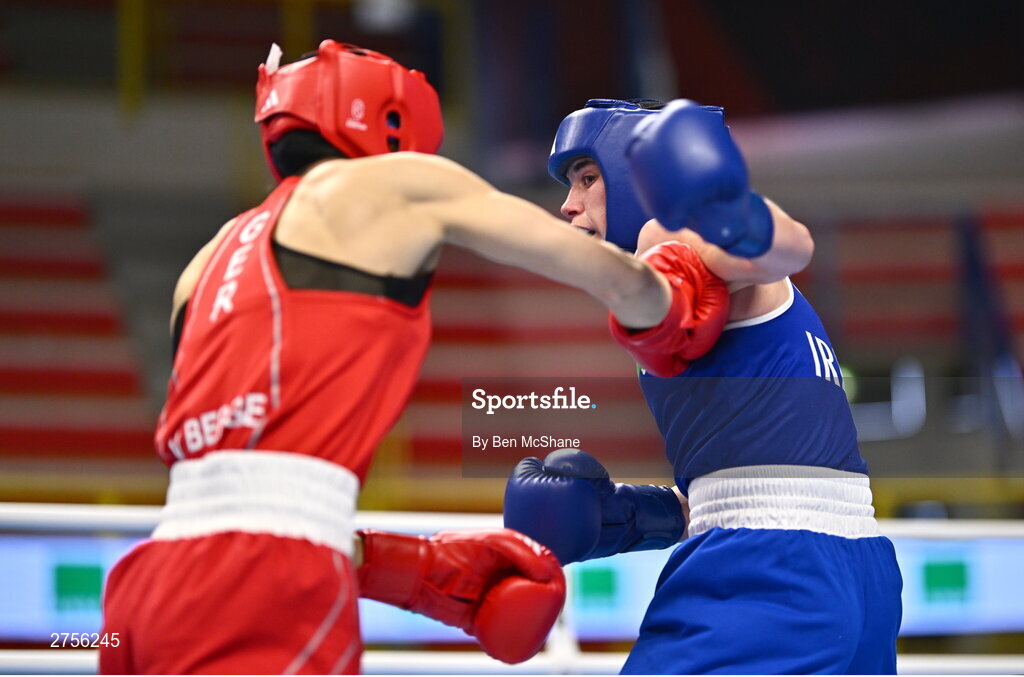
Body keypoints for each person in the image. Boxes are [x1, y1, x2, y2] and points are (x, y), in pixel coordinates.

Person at [98, 45, 724, 675]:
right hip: (269, 578)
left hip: (147, 584)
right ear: (389, 119)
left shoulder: (208, 260)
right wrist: (667, 293)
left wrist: (422, 571)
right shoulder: (391, 184)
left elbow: (243, 494)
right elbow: (585, 264)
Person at [505, 98, 903, 674]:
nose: (569, 205)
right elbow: (771, 479)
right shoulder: (668, 288)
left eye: (588, 178)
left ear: (637, 175)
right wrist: (639, 515)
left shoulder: (680, 236)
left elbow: (789, 244)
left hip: (769, 570)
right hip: (856, 569)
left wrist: (729, 211)